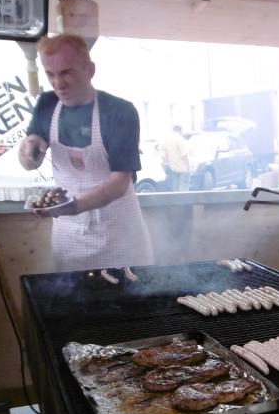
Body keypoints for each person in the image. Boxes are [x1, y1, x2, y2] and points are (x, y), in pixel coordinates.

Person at [18, 34, 154, 272]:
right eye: (50, 74)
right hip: (70, 238)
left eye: (66, 72)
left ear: (89, 69)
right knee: (72, 304)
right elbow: (29, 159)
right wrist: (29, 151)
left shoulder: (119, 111)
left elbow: (120, 183)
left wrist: (74, 206)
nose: (58, 83)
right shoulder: (47, 104)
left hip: (119, 236)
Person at [158, 124, 191, 191]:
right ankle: (183, 201)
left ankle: (176, 201)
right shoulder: (181, 140)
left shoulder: (167, 140)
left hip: (173, 168)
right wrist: (188, 167)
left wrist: (169, 164)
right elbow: (184, 155)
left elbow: (164, 154)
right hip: (183, 169)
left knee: (175, 189)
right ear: (180, 131)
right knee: (183, 188)